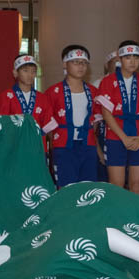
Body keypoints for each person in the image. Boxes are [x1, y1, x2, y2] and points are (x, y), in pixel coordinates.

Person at [96, 41, 139, 193]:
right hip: (116, 137)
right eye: (127, 57)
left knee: (137, 183)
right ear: (119, 58)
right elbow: (106, 113)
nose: (132, 61)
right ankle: (117, 217)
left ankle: (135, 217)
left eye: (136, 57)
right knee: (117, 183)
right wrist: (123, 137)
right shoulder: (108, 81)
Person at [42, 45, 101, 188]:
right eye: (75, 62)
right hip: (63, 146)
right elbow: (47, 122)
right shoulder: (53, 92)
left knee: (88, 188)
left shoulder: (93, 91)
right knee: (65, 188)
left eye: (83, 62)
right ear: (65, 64)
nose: (80, 66)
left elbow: (97, 120)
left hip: (87, 145)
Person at [0, 54, 55, 144]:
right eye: (25, 71)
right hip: (13, 146)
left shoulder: (42, 98)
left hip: (37, 145)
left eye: (33, 71)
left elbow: (48, 124)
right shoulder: (5, 97)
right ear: (15, 73)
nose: (30, 75)